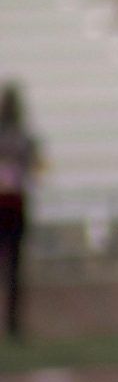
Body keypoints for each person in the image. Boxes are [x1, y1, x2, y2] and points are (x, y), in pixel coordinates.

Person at [0, 84, 38, 340]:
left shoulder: (22, 138)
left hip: (12, 205)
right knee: (13, 269)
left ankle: (13, 324)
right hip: (12, 204)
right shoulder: (22, 138)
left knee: (13, 269)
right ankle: (12, 324)